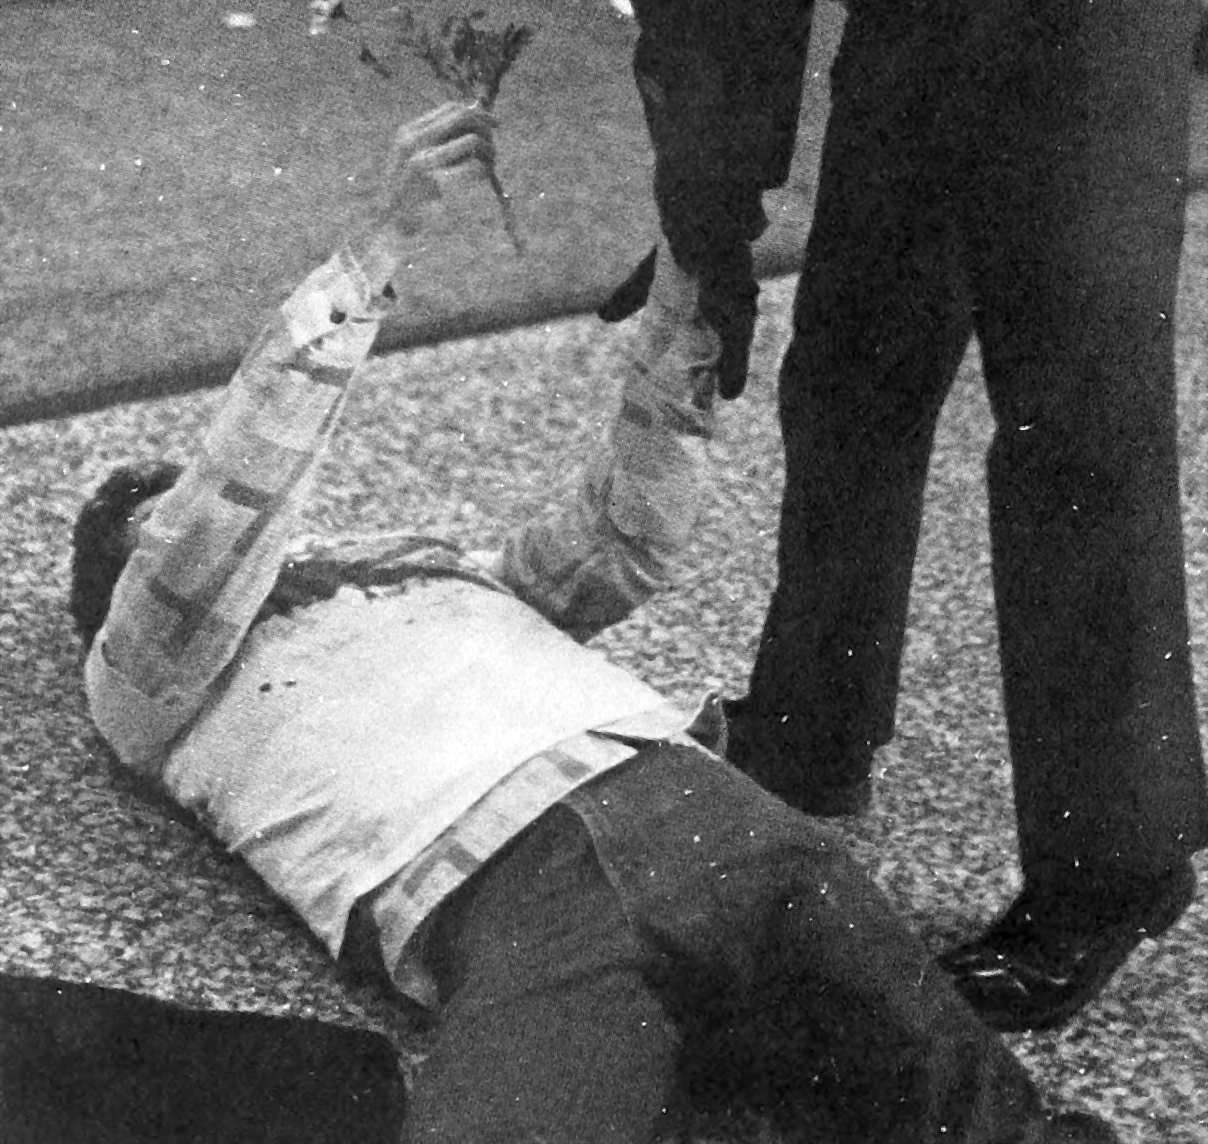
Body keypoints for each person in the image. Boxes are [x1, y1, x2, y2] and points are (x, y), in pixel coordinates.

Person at [272, 0, 1208, 1034]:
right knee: (851, 368)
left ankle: (1111, 865)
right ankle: (808, 733)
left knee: (1072, 416)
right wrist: (712, 216)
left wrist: (707, 230)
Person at [74, 100, 1115, 1144]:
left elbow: (621, 537)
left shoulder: (430, 573)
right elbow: (235, 488)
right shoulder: (142, 676)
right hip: (525, 885)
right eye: (150, 508)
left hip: (717, 811)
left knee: (992, 1124)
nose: (187, 495)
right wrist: (377, 238)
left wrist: (685, 286)